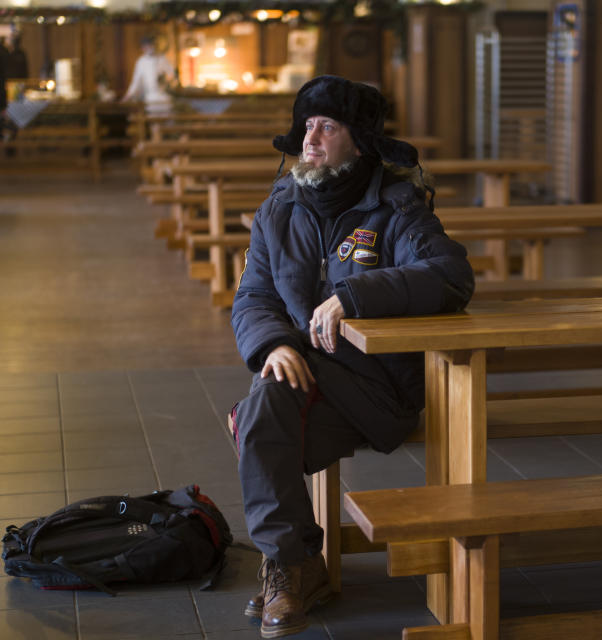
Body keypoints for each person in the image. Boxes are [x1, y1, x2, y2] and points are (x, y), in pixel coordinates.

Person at [229, 75, 475, 639]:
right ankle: (291, 568)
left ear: (359, 142)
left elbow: (451, 275)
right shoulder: (278, 209)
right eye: (308, 125)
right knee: (265, 407)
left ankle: (293, 567)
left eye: (328, 126)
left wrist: (355, 295)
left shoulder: (397, 206)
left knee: (257, 423)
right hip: (309, 383)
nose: (309, 137)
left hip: (381, 389)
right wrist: (276, 343)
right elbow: (254, 297)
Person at [121, 36, 174, 114]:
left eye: (150, 45)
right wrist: (129, 95)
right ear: (142, 48)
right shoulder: (141, 61)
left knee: (166, 120)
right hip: (151, 98)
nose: (148, 48)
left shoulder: (162, 59)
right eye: (145, 46)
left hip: (163, 96)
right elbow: (136, 81)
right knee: (153, 121)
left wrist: (165, 79)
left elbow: (171, 74)